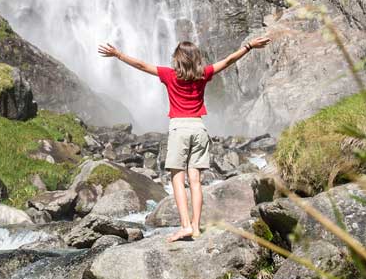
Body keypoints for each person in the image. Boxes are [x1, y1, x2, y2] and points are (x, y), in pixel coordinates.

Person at [98, 36, 270, 242]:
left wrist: (117, 54)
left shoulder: (169, 75)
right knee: (195, 181)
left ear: (177, 60)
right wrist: (249, 46)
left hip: (179, 128)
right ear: (197, 59)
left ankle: (185, 226)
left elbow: (141, 65)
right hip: (199, 128)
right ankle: (196, 227)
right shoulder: (203, 74)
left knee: (177, 180)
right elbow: (228, 61)